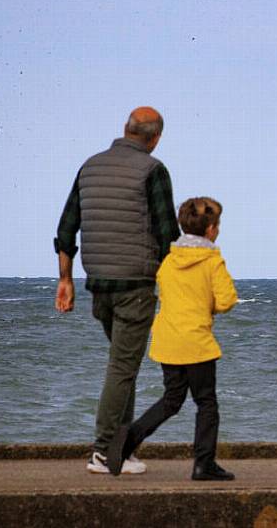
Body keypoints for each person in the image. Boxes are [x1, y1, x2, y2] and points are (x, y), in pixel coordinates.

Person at [55, 107, 179, 474]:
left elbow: (66, 229)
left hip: (98, 287)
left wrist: (65, 280)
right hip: (135, 286)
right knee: (122, 368)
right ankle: (104, 451)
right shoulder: (152, 170)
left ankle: (121, 451)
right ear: (155, 138)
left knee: (123, 368)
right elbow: (166, 232)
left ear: (125, 129)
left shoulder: (89, 167)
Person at [107, 197, 238, 481]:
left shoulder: (168, 260)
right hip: (196, 342)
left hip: (167, 340)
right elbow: (227, 300)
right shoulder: (212, 261)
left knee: (172, 400)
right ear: (211, 229)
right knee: (207, 403)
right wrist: (207, 305)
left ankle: (129, 437)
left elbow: (166, 293)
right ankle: (204, 465)